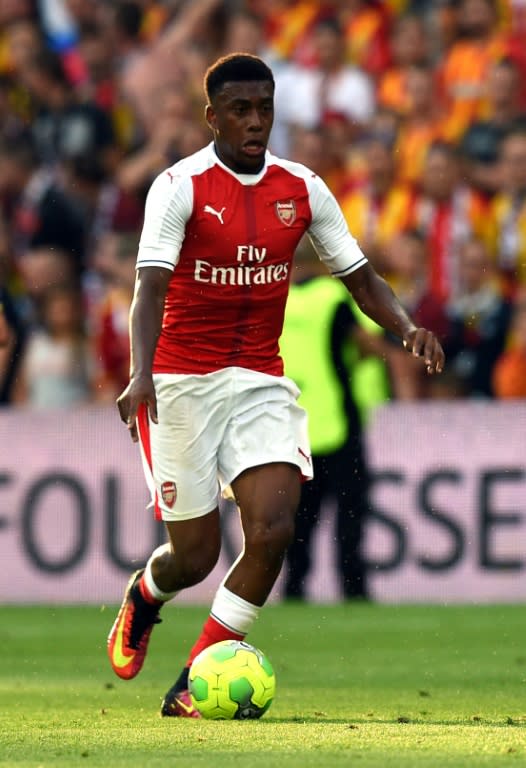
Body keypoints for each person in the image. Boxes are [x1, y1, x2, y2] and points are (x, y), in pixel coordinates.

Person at [106, 53, 444, 718]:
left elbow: (360, 275)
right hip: (179, 381)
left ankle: (192, 684)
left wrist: (405, 327)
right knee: (195, 557)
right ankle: (146, 595)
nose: (255, 121)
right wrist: (140, 372)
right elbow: (149, 287)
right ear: (212, 117)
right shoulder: (179, 187)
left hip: (259, 379)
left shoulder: (304, 188)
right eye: (240, 110)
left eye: (263, 108)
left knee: (272, 529)